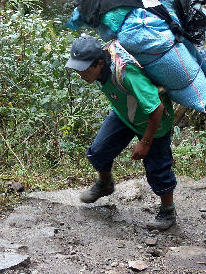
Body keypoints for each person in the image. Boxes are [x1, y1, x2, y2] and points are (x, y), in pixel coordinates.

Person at [65, 34, 177, 230]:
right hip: (126, 115)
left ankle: (168, 211)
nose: (81, 75)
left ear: (99, 63)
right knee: (99, 151)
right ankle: (105, 184)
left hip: (154, 122)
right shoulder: (99, 70)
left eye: (84, 70)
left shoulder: (126, 73)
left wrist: (145, 142)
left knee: (158, 170)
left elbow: (156, 108)